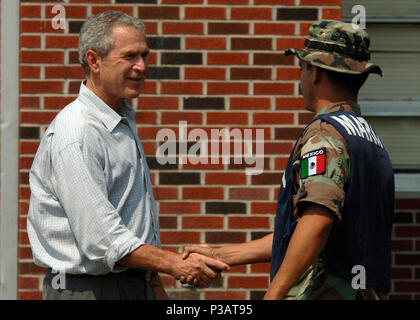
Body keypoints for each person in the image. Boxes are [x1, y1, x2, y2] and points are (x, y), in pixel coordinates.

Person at [183, 20, 394, 300]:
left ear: (315, 72)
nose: (301, 77)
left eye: (301, 68)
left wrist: (274, 295)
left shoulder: (325, 134)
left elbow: (317, 223)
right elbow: (301, 233)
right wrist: (219, 254)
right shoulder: (371, 141)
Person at [27, 10, 229, 300]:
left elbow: (130, 222)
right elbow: (102, 239)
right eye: (130, 56)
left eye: (144, 55)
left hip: (127, 284)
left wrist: (152, 282)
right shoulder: (78, 133)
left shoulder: (117, 119)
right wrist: (174, 264)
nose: (142, 66)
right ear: (94, 61)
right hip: (90, 290)